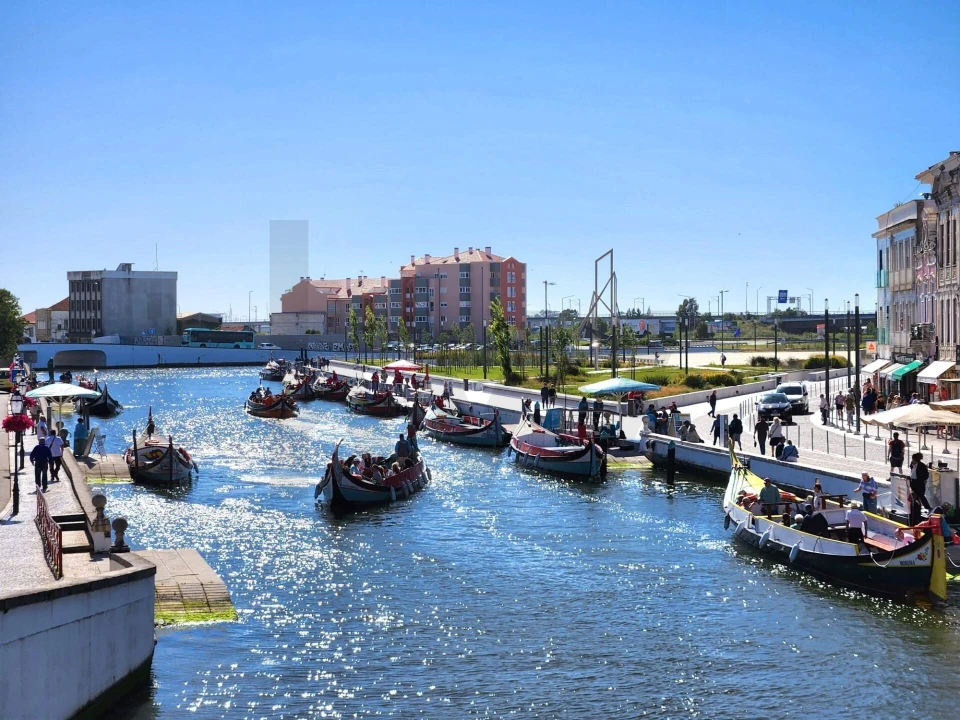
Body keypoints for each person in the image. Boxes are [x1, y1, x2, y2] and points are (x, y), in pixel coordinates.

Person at [909, 453, 931, 525]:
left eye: (913, 459)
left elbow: (926, 475)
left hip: (920, 482)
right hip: (913, 482)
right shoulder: (912, 464)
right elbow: (912, 471)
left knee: (921, 495)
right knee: (916, 496)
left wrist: (923, 479)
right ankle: (918, 508)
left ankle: (927, 507)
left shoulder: (922, 466)